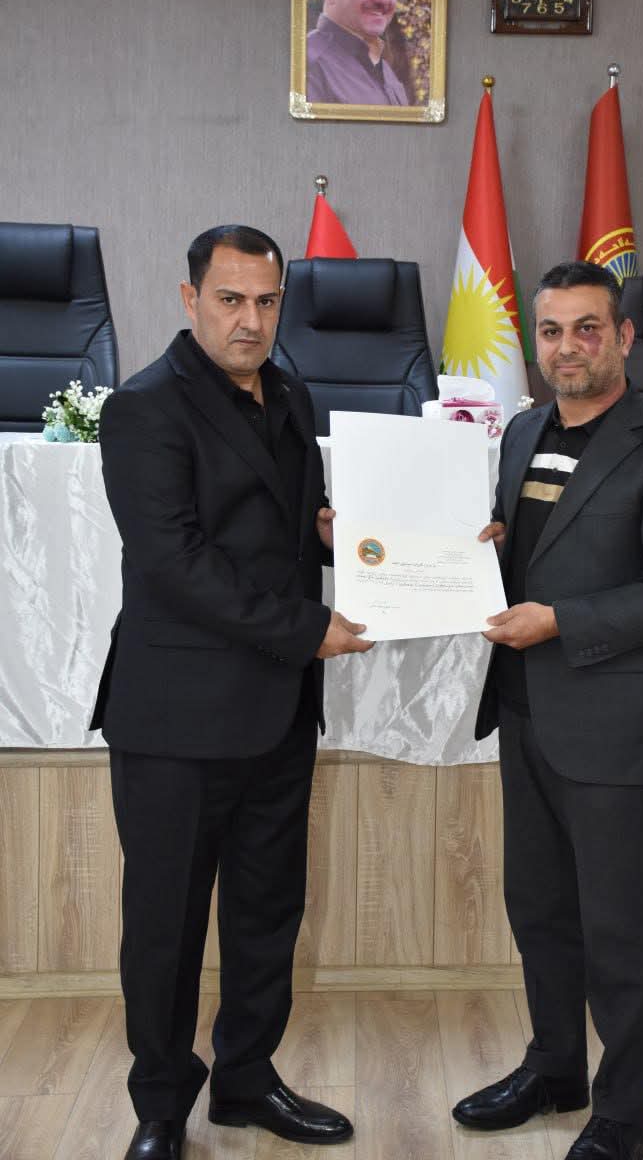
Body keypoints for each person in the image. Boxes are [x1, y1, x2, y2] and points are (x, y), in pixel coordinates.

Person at [91, 225, 372, 1160]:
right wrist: (305, 629)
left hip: (277, 709)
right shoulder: (143, 408)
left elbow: (286, 534)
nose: (250, 320)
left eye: (265, 301)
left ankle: (247, 1081)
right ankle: (160, 1107)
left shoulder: (289, 394)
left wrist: (345, 542)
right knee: (165, 926)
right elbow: (175, 564)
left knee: (266, 913)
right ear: (190, 300)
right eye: (229, 299)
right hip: (176, 717)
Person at [451, 261, 643, 1160]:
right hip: (524, 710)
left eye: (586, 329)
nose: (566, 347)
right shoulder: (522, 431)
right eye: (550, 330)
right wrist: (466, 551)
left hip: (616, 727)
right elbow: (524, 552)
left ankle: (622, 1113)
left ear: (622, 337)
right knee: (538, 909)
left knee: (619, 930)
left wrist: (559, 620)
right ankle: (555, 1069)